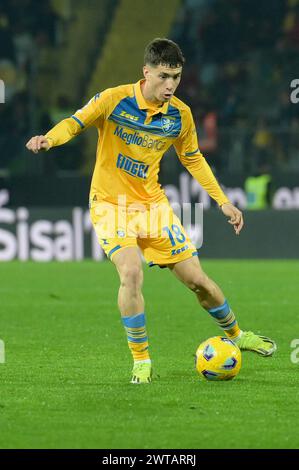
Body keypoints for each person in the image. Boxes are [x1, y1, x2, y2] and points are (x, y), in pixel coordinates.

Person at [26, 38, 276, 384]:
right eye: (163, 76)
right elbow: (74, 122)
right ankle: (141, 360)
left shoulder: (180, 115)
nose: (170, 84)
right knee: (130, 272)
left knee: (198, 282)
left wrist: (223, 201)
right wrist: (49, 139)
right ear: (146, 72)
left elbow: (193, 158)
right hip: (110, 204)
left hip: (152, 206)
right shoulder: (113, 99)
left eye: (176, 76)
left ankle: (237, 334)